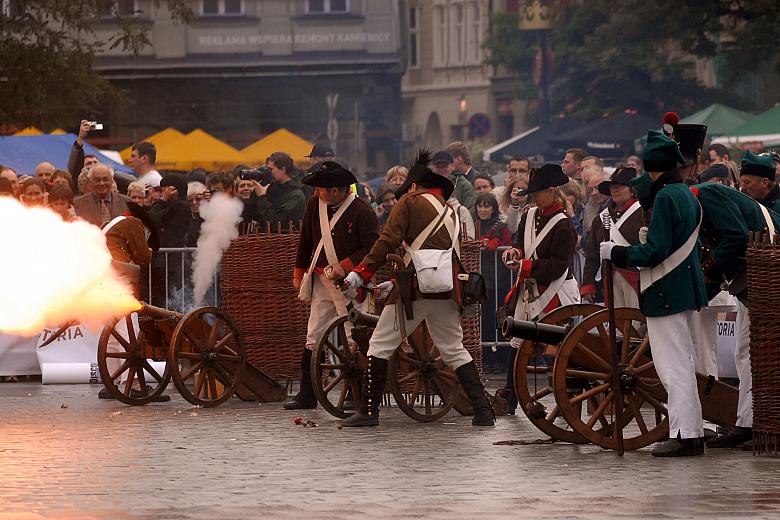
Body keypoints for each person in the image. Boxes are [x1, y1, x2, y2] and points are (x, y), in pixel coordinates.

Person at [340, 151, 495, 427]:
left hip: (416, 290)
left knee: (379, 345)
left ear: (413, 186)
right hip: (447, 289)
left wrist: (360, 273)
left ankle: (369, 412)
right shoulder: (450, 211)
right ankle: (483, 411)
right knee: (453, 348)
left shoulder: (409, 202)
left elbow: (387, 241)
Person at [600, 129, 708, 457]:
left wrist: (616, 253)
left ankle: (686, 434)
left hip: (665, 291)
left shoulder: (665, 198)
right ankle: (689, 430)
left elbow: (655, 251)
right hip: (683, 289)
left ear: (651, 169)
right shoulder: (686, 193)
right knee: (683, 362)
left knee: (672, 365)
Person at [286, 161, 379, 410]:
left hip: (349, 282)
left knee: (353, 334)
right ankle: (307, 393)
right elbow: (305, 239)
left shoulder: (362, 211)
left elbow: (372, 248)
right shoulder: (313, 205)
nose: (316, 192)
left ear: (336, 190)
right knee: (313, 335)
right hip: (320, 278)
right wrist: (298, 272)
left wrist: (346, 265)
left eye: (320, 188)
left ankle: (357, 392)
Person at [707, 152, 780, 449]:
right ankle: (746, 421)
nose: (744, 188)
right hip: (748, 285)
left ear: (765, 182)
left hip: (768, 287)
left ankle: (761, 422)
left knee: (765, 356)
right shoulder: (748, 203)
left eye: (748, 182)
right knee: (744, 352)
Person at [500, 164, 579, 414]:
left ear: (552, 191)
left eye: (538, 193)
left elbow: (556, 267)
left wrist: (523, 266)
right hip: (532, 287)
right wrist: (515, 252)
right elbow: (520, 242)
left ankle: (568, 396)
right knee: (518, 342)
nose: (534, 197)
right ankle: (509, 398)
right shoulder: (530, 214)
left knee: (553, 346)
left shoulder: (563, 225)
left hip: (555, 291)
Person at [581, 166, 642, 307]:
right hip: (609, 278)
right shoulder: (601, 219)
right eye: (613, 187)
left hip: (637, 278)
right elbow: (592, 256)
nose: (615, 190)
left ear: (632, 190)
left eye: (620, 187)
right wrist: (588, 284)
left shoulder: (643, 213)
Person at [473, 192, 512, 374]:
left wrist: (496, 243)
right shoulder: (474, 226)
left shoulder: (501, 225)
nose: (482, 209)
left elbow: (508, 247)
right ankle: (487, 359)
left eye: (486, 206)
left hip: (499, 281)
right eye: (480, 205)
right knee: (484, 322)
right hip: (481, 282)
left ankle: (501, 360)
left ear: (493, 208)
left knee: (499, 321)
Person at [247, 152, 306, 232]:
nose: (268, 172)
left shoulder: (296, 195)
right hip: (264, 240)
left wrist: (261, 197)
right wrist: (258, 188)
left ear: (283, 170)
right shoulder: (272, 187)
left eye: (271, 169)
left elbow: (276, 224)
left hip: (283, 242)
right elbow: (252, 214)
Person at [431, 151, 475, 238]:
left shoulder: (464, 185)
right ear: (433, 168)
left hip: (457, 229)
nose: (442, 169)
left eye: (445, 166)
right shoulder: (425, 185)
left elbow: (469, 212)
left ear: (452, 166)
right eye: (438, 166)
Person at [67, 120, 101, 193]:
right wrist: (80, 137)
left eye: (95, 162)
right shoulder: (77, 182)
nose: (93, 165)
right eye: (89, 163)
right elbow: (74, 164)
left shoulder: (109, 181)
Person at [445, 142, 476, 210]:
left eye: (449, 160)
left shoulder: (477, 179)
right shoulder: (450, 178)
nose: (447, 164)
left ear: (459, 159)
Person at [185, 182, 207, 247]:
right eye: (190, 200)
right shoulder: (184, 219)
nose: (194, 202)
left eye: (198, 199)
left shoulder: (210, 218)